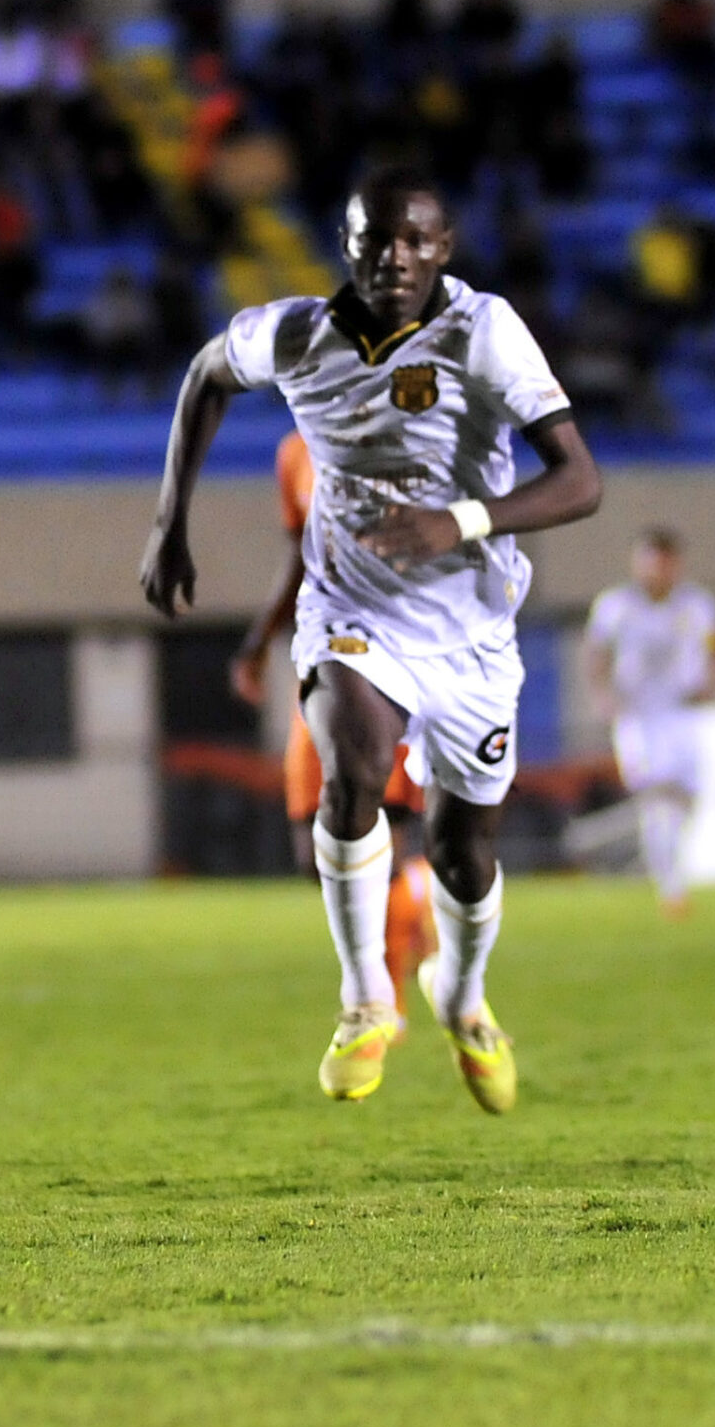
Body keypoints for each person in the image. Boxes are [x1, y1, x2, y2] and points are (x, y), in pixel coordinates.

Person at [142, 167, 602, 1112]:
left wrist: (462, 520)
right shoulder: (299, 334)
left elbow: (581, 482)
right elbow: (204, 374)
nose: (394, 257)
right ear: (345, 244)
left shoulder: (483, 332)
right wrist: (168, 521)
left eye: (415, 242)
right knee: (350, 763)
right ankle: (364, 999)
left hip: (472, 630)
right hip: (352, 612)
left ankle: (463, 998)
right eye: (375, 240)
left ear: (444, 249)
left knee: (465, 848)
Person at [229, 430, 441, 1026]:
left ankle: (385, 1001)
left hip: (390, 666)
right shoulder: (294, 451)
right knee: (315, 854)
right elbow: (297, 555)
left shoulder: (407, 434)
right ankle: (424, 902)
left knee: (381, 840)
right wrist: (257, 643)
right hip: (322, 660)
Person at [582, 529, 715, 919]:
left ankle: (670, 866)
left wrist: (711, 684)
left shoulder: (698, 605)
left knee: (685, 797)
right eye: (651, 561)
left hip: (683, 712)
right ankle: (671, 887)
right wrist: (603, 696)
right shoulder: (615, 606)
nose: (658, 570)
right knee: (656, 796)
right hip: (639, 715)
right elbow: (597, 653)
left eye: (665, 562)